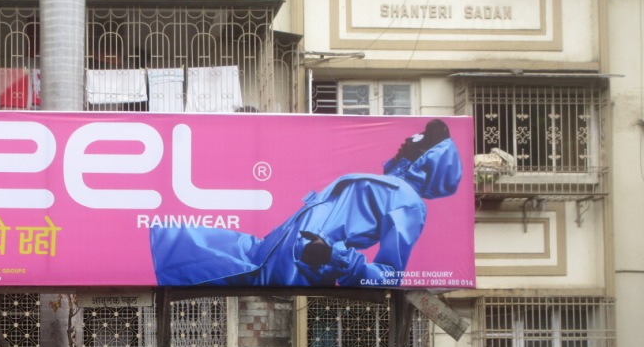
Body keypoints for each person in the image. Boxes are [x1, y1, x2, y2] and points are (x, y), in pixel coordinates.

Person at [151, 119, 462, 287]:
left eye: (420, 139)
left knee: (186, 255)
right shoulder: (390, 186)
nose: (408, 139)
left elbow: (390, 275)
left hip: (298, 266)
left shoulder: (408, 203)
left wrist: (333, 255)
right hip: (270, 249)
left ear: (429, 160)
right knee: (173, 238)